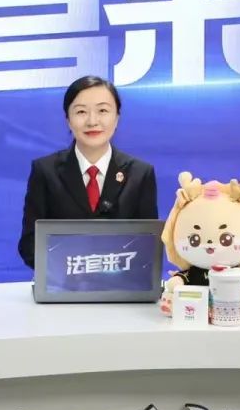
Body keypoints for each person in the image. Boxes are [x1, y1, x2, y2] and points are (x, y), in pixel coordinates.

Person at [18, 75, 158, 268]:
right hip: (62, 282)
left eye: (102, 110)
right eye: (81, 112)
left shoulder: (140, 174)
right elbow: (30, 244)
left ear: (117, 117)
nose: (92, 121)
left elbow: (149, 244)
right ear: (68, 120)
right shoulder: (45, 171)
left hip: (122, 283)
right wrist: (68, 271)